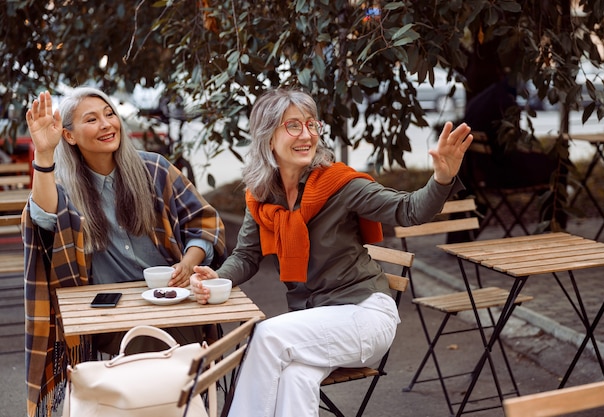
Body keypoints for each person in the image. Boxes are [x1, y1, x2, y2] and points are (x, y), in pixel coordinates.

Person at [189, 88, 472, 417]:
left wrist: (441, 178)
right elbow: (247, 256)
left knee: (267, 335)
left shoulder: (340, 185)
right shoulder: (263, 196)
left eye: (311, 124)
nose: (306, 134)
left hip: (365, 316)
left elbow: (408, 210)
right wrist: (218, 278)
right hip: (316, 325)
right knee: (295, 377)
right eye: (293, 126)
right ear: (267, 137)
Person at [22, 87, 226, 417]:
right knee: (153, 348)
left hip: (173, 302)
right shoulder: (61, 186)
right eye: (92, 119)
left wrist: (190, 261)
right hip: (107, 317)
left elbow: (203, 221)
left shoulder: (154, 169)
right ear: (69, 136)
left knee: (164, 349)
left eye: (110, 114)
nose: (106, 124)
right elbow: (44, 222)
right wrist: (44, 157)